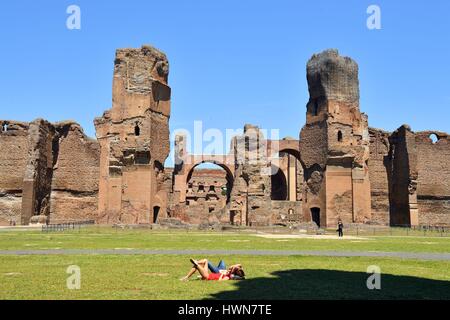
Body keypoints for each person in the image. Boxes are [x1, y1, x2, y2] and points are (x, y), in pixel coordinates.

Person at [180, 258, 245, 281]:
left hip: (207, 276)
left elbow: (221, 280)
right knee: (205, 260)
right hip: (208, 275)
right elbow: (239, 265)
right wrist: (236, 267)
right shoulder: (232, 271)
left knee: (197, 265)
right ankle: (196, 262)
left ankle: (196, 263)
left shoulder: (228, 276)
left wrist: (222, 275)